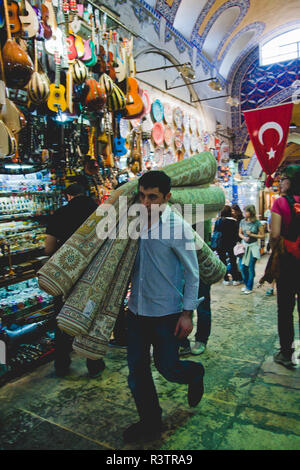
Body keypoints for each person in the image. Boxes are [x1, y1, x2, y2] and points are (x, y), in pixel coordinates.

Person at [124, 171, 205, 443]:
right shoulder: (134, 222)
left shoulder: (178, 227)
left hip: (166, 314)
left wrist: (187, 314)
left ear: (167, 197)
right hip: (136, 311)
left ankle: (194, 374)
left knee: (167, 368)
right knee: (136, 370)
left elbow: (193, 273)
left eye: (153, 197)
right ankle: (150, 421)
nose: (146, 203)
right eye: (142, 196)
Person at [45, 183, 106, 378]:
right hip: (94, 272)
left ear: (68, 196)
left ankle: (62, 361)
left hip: (67, 273)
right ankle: (94, 362)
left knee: (62, 315)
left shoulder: (60, 213)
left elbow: (48, 248)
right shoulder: (100, 212)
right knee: (92, 314)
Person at [270, 165, 300, 368]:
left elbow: (274, 234)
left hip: (288, 262)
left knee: (285, 309)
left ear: (291, 181)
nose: (280, 182)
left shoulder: (280, 203)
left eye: (283, 179)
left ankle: (286, 353)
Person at [239, 205, 265, 294]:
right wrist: (244, 237)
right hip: (244, 247)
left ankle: (249, 287)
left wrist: (252, 235)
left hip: (253, 247)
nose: (244, 213)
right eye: (244, 211)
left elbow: (262, 235)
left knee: (250, 267)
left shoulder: (257, 223)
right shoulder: (242, 221)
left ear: (251, 212)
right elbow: (240, 233)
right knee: (242, 267)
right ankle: (246, 285)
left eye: (246, 211)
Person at [216, 205, 240, 285]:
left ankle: (226, 279)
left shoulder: (219, 221)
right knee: (233, 261)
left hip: (221, 244)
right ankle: (235, 279)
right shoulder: (234, 221)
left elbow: (216, 232)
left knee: (223, 262)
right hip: (231, 244)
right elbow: (236, 234)